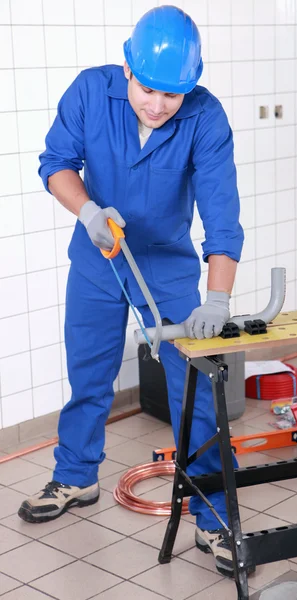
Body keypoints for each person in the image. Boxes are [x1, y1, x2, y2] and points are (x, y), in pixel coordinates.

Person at [18, 5, 247, 579]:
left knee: (193, 380)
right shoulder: (91, 92)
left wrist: (216, 301)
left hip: (167, 266)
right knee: (89, 368)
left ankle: (212, 512)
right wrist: (88, 210)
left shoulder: (206, 117)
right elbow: (55, 163)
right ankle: (75, 477)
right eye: (148, 89)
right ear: (127, 66)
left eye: (173, 95)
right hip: (100, 254)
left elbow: (222, 216)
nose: (158, 105)